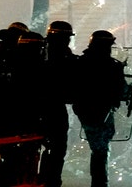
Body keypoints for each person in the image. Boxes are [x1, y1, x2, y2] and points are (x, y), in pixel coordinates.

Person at [0, 22, 45, 186]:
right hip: (18, 111)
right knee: (19, 151)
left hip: (1, 106)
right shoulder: (23, 58)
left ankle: (5, 175)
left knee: (3, 143)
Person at [72, 30, 126, 187]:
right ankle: (100, 182)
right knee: (100, 151)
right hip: (103, 111)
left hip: (85, 111)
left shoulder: (80, 63)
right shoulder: (113, 66)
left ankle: (99, 181)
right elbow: (121, 90)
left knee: (98, 150)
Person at [39, 21, 79, 187]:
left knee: (41, 148)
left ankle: (41, 179)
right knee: (57, 148)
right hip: (53, 108)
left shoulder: (40, 52)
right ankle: (51, 181)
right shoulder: (62, 56)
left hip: (35, 108)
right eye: (67, 38)